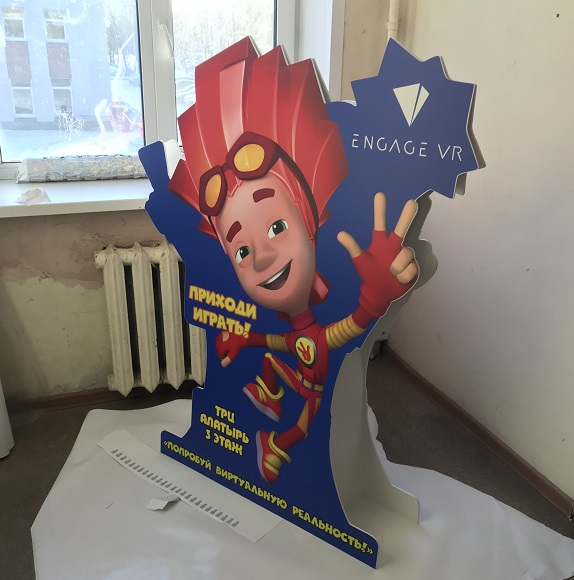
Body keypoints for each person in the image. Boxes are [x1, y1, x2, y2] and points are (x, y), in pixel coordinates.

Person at [168, 37, 418, 483]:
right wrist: (243, 339)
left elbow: (339, 332)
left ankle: (274, 434)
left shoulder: (317, 334)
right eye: (241, 251)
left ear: (308, 221)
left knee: (307, 418)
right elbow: (281, 341)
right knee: (291, 387)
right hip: (301, 375)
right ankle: (270, 401)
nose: (262, 257)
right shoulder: (305, 334)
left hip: (312, 383)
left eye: (276, 227)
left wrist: (373, 302)